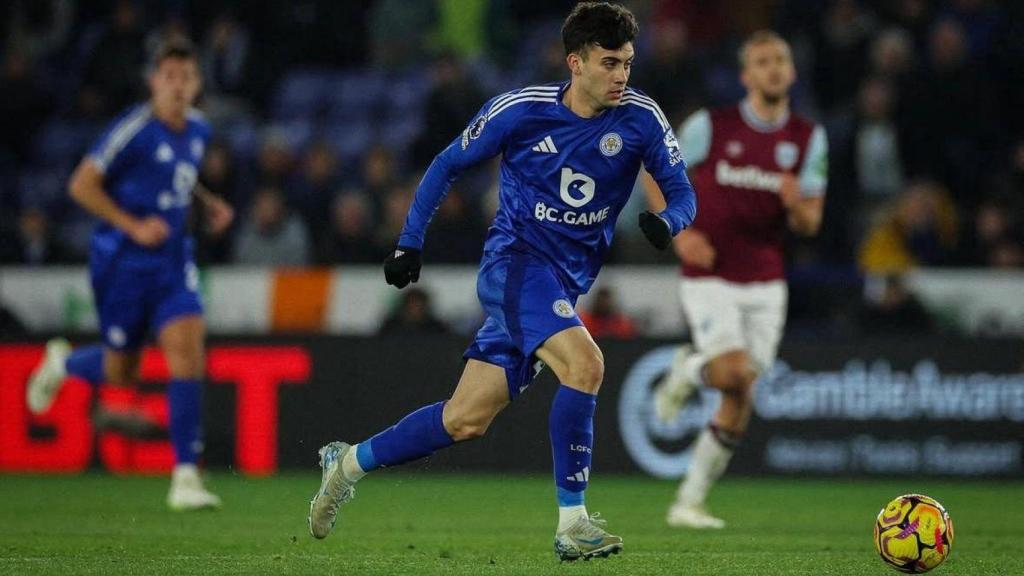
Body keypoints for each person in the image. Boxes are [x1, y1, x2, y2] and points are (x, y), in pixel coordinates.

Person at [307, 2, 696, 562]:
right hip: (514, 266)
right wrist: (409, 242)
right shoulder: (521, 110)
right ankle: (573, 523)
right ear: (575, 62)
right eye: (609, 63)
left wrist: (668, 221)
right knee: (585, 364)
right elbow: (446, 164)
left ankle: (345, 463)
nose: (621, 76)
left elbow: (683, 193)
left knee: (464, 419)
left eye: (628, 63)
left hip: (561, 286)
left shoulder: (640, 118)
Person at [25, 38, 234, 511]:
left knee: (187, 353)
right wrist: (132, 225)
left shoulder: (198, 129)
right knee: (122, 372)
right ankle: (62, 364)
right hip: (122, 265)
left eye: (186, 77)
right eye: (169, 77)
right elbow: (81, 185)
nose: (177, 86)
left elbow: (179, 176)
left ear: (197, 84)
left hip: (173, 262)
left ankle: (185, 477)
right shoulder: (133, 131)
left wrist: (207, 203)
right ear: (153, 82)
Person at [646, 31, 827, 529]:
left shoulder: (808, 138)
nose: (773, 68)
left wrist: (795, 203)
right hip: (709, 271)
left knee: (741, 392)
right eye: (762, 62)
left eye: (780, 60)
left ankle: (688, 502)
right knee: (732, 374)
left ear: (792, 72)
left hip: (766, 279)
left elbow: (811, 222)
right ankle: (690, 370)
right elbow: (654, 169)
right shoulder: (711, 125)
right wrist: (680, 235)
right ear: (747, 76)